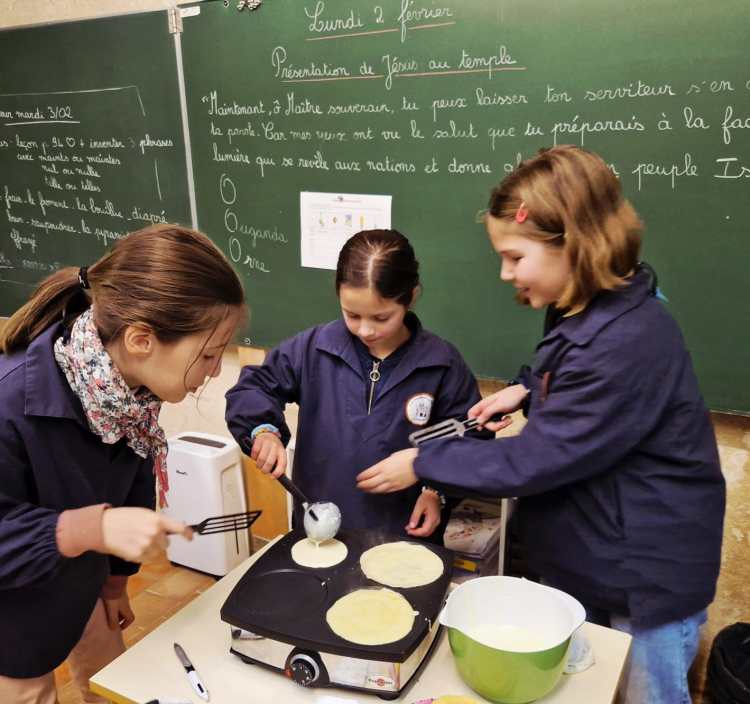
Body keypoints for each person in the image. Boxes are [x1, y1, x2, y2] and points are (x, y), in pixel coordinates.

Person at [356, 146, 726, 703]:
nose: (505, 273)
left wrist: (423, 461)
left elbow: (534, 459)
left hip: (644, 575)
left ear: (574, 242)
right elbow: (573, 371)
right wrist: (527, 387)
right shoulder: (586, 305)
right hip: (597, 555)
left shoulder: (626, 341)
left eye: (514, 256)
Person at [0, 224, 244, 703]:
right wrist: (92, 528)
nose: (215, 371)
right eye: (209, 355)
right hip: (13, 619)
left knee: (114, 682)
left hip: (80, 583)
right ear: (140, 340)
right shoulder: (10, 402)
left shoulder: (129, 398)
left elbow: (133, 484)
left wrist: (115, 583)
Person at [226, 229, 490, 542]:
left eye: (381, 318)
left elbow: (472, 435)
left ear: (410, 297)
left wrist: (435, 492)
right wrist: (264, 431)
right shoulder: (313, 349)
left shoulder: (441, 364)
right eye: (352, 315)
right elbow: (254, 387)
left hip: (402, 534)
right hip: (321, 530)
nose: (365, 330)